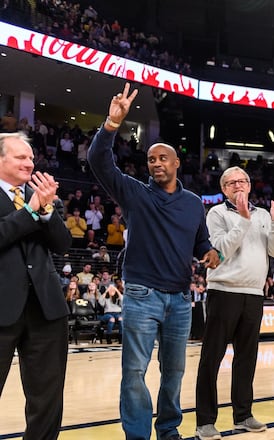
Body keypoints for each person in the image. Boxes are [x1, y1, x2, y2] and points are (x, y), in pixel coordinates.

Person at [88, 84, 220, 440]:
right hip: (142, 295)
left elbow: (201, 242)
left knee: (174, 373)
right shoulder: (134, 193)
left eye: (163, 158)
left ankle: (169, 430)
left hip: (180, 298)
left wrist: (210, 253)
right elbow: (99, 161)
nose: (156, 163)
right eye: (151, 159)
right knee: (134, 372)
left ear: (177, 163)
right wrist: (112, 125)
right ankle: (137, 435)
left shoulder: (194, 203)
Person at [194, 166, 274, 439]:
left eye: (243, 180)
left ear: (249, 185)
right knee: (211, 358)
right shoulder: (216, 213)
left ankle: (243, 415)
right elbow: (220, 249)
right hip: (223, 291)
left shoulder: (263, 215)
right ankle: (205, 421)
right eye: (232, 182)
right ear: (224, 189)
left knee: (247, 359)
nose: (238, 185)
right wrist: (243, 220)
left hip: (254, 294)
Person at [0, 132, 71, 440]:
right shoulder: (27, 201)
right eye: (20, 157)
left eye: (31, 157)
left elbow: (63, 244)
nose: (29, 163)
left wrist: (46, 210)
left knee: (47, 399)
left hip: (46, 308)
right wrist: (30, 210)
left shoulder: (39, 197)